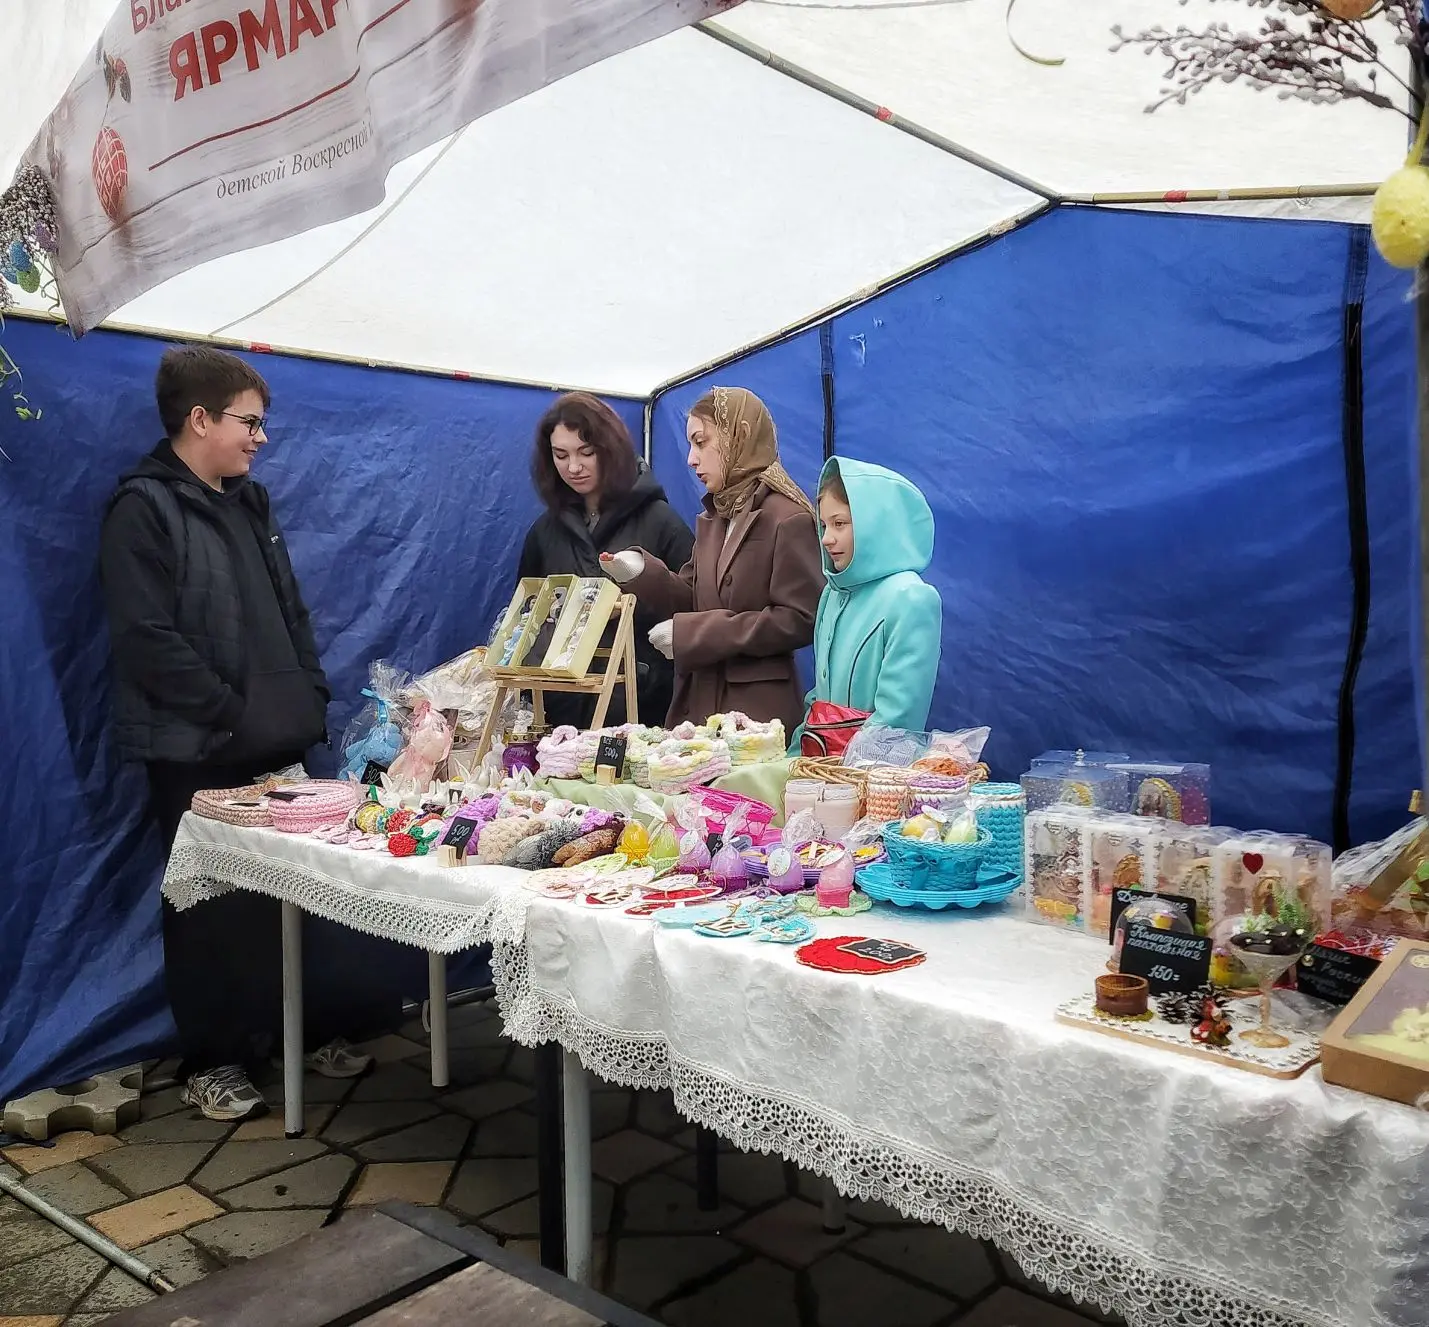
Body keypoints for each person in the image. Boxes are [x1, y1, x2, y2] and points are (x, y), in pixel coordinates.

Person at [100, 346, 373, 1122]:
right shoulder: (141, 509)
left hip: (276, 739)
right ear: (199, 419)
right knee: (207, 906)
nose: (260, 437)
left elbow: (290, 609)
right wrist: (227, 709)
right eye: (249, 422)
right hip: (195, 749)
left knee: (297, 894)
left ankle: (299, 1033)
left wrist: (309, 689)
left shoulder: (251, 503)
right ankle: (214, 1061)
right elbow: (145, 637)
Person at [601, 386, 822, 734]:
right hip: (699, 705)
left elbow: (800, 619)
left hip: (755, 716)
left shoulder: (787, 517)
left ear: (739, 437)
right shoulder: (714, 517)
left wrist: (696, 633)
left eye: (701, 442)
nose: (691, 458)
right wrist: (643, 573)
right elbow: (693, 597)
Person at [516, 393, 694, 727]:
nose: (574, 467)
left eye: (586, 452)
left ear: (611, 449)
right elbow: (526, 621)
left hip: (642, 714)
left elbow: (695, 605)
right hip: (562, 718)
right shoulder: (543, 533)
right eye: (561, 455)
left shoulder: (661, 521)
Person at [802, 457, 943, 739]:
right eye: (824, 526)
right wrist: (797, 755)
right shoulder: (833, 594)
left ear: (876, 524)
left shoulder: (911, 598)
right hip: (821, 765)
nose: (826, 538)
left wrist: (840, 760)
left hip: (876, 763)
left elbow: (899, 717)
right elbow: (818, 700)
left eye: (840, 523)